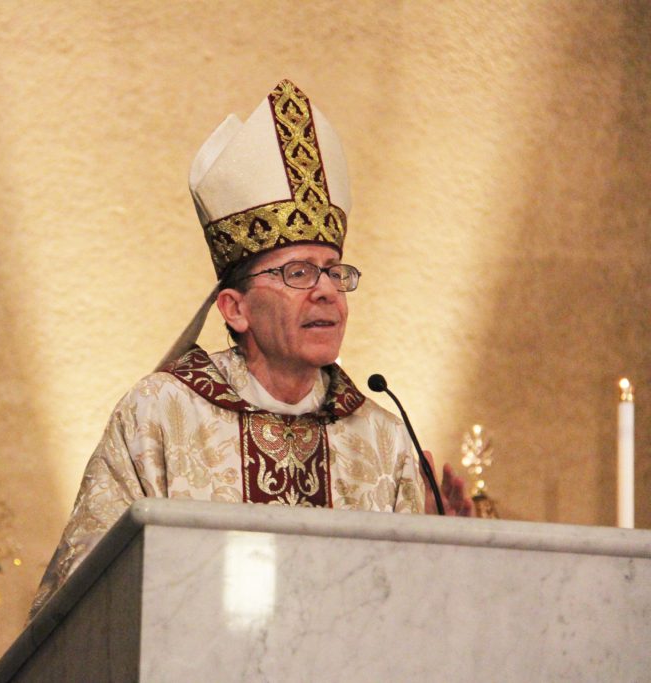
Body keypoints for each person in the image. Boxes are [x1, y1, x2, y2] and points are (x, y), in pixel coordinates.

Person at [31, 79, 472, 616]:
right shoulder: (158, 415)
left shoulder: (382, 438)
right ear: (234, 309)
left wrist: (450, 549)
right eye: (298, 271)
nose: (327, 290)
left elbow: (417, 620)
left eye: (335, 271)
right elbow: (83, 599)